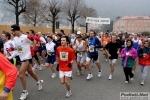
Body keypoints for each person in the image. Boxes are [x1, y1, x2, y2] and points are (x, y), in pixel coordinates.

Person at [11, 24, 43, 100]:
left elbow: (35, 40)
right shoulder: (15, 39)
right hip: (21, 58)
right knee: (31, 72)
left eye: (14, 31)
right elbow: (19, 48)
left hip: (27, 58)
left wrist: (33, 49)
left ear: (18, 30)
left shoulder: (26, 37)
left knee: (21, 75)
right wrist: (13, 49)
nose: (13, 32)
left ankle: (25, 91)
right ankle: (39, 82)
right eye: (12, 31)